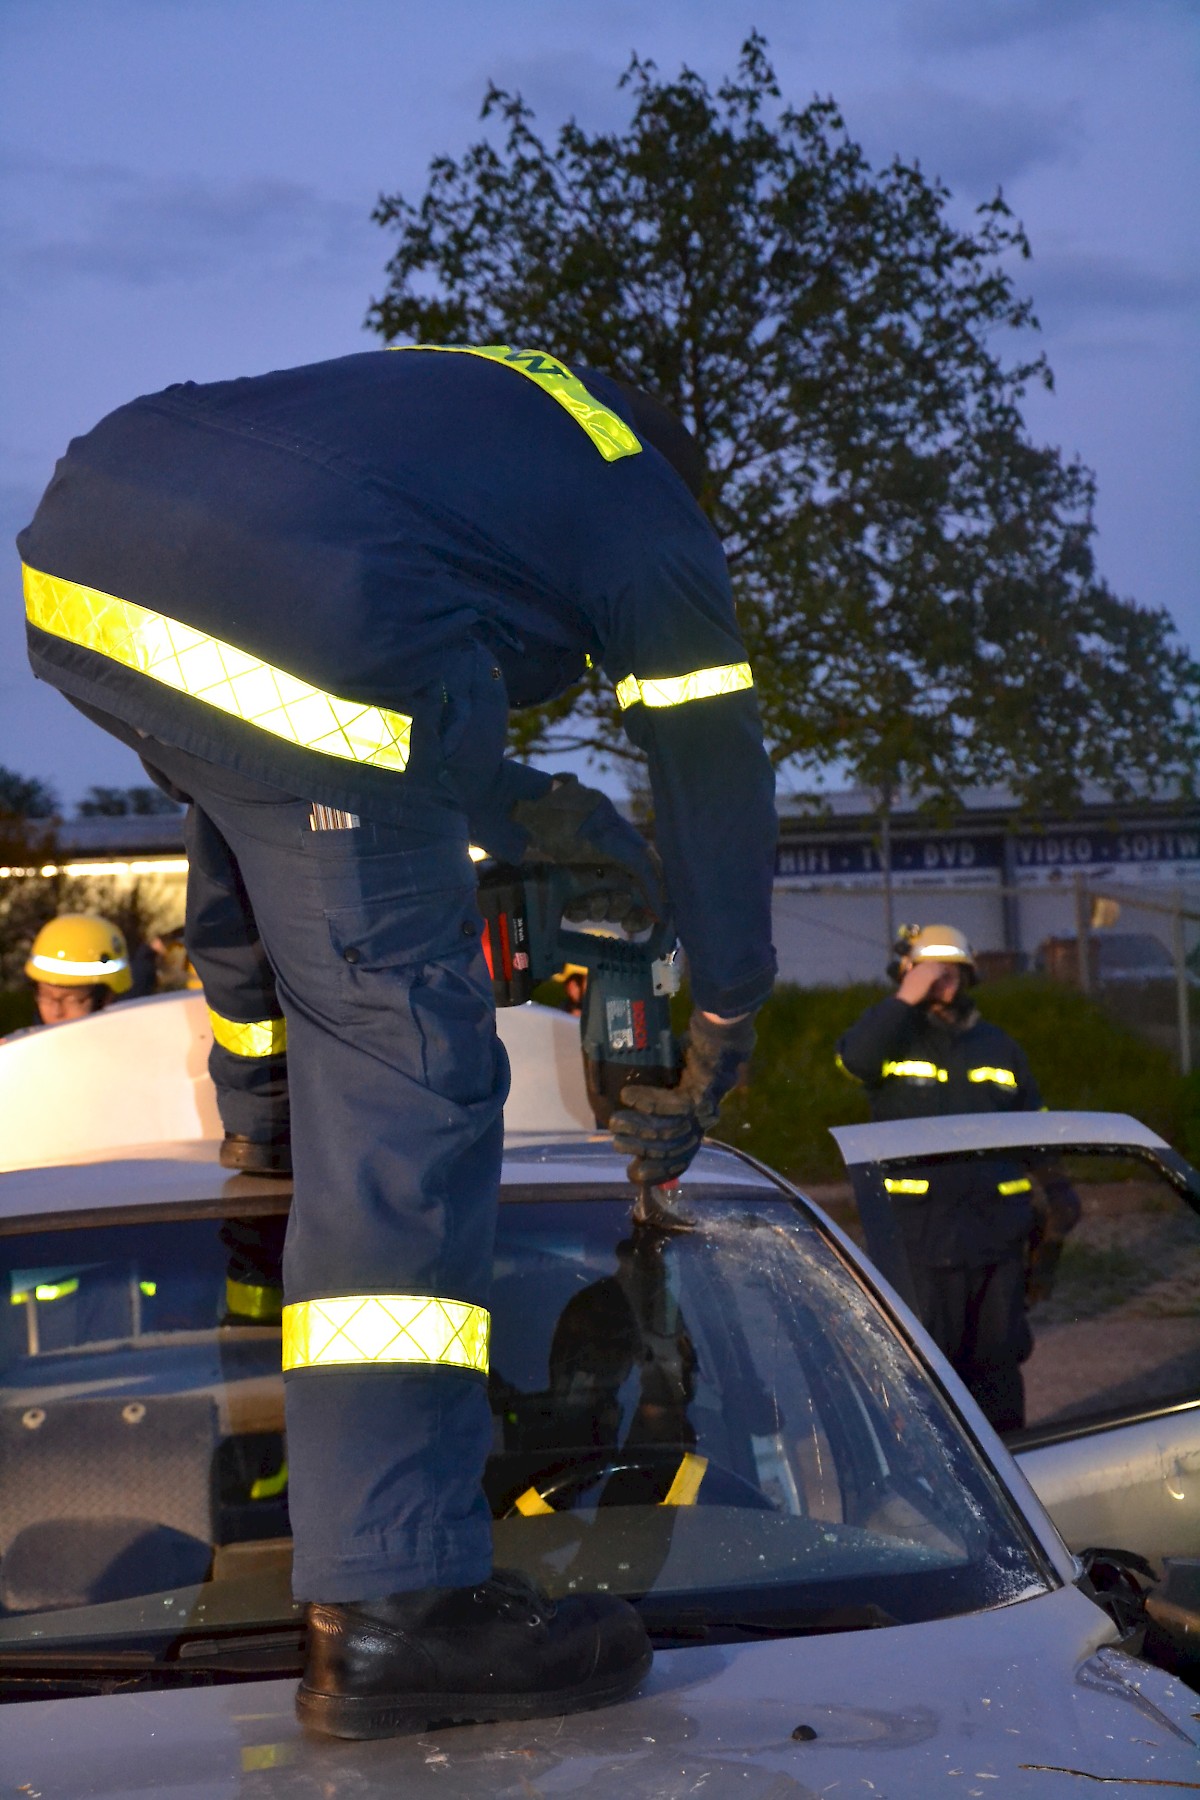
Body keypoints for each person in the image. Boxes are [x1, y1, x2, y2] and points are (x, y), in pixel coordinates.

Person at [17, 344, 777, 1737]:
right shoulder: (651, 513)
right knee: (415, 1081)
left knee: (258, 762)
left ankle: (256, 1098)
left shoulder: (484, 428)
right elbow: (714, 757)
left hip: (88, 547)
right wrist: (726, 1003)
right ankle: (396, 1604)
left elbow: (334, 689)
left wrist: (532, 803)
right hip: (292, 616)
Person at [835, 924, 1074, 1434]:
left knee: (999, 1369)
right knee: (926, 1377)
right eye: (931, 971)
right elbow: (854, 1060)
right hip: (920, 1242)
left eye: (953, 971)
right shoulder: (889, 1041)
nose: (943, 981)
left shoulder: (999, 1046)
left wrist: (1058, 1191)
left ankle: (1013, 1478)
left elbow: (1034, 1124)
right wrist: (906, 998)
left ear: (970, 976)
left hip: (997, 1239)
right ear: (909, 973)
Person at [23, 912, 132, 1026]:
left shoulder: (138, 1041)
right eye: (45, 995)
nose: (56, 1012)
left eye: (72, 999)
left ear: (107, 997)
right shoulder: (27, 1042)